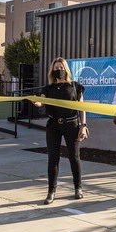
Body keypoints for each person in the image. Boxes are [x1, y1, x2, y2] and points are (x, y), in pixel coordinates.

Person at [33, 57, 88, 204]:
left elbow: (82, 107)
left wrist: (83, 126)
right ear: (52, 70)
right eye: (56, 68)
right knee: (53, 158)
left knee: (74, 157)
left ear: (66, 69)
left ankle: (78, 188)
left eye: (61, 67)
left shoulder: (75, 86)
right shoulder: (48, 88)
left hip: (72, 125)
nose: (59, 70)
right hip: (53, 125)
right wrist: (37, 102)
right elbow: (41, 101)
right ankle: (51, 192)